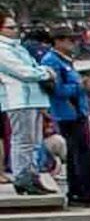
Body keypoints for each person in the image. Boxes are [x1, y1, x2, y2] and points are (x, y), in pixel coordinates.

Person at [34, 28, 90, 206]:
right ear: (58, 41)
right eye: (70, 40)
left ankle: (85, 192)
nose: (74, 43)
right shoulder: (51, 61)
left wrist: (88, 91)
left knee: (83, 153)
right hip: (67, 114)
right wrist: (80, 88)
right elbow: (55, 90)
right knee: (78, 154)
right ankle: (81, 194)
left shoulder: (66, 61)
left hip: (79, 112)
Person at [0, 13, 48, 194]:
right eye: (10, 28)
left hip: (33, 98)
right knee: (22, 140)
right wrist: (46, 73)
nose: (15, 31)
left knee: (35, 141)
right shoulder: (2, 49)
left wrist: (40, 71)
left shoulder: (18, 47)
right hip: (18, 99)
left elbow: (33, 66)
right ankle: (22, 177)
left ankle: (33, 176)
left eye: (15, 27)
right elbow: (23, 72)